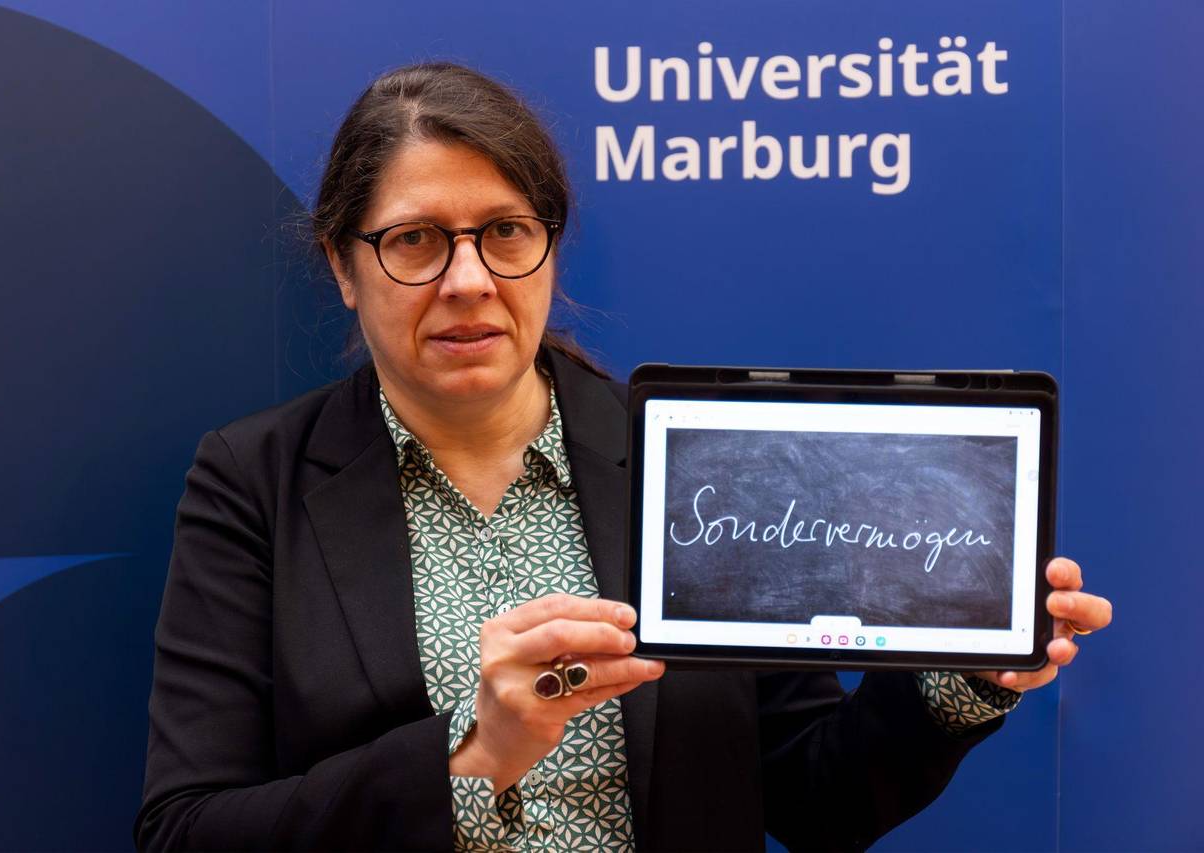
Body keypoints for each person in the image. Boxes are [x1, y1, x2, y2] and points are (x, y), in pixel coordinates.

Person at [134, 63, 1112, 852]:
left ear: (549, 247)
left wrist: (963, 671)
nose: (468, 279)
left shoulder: (696, 464)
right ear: (343, 264)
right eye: (417, 240)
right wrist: (470, 759)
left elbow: (819, 798)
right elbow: (185, 829)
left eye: (505, 232)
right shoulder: (254, 482)